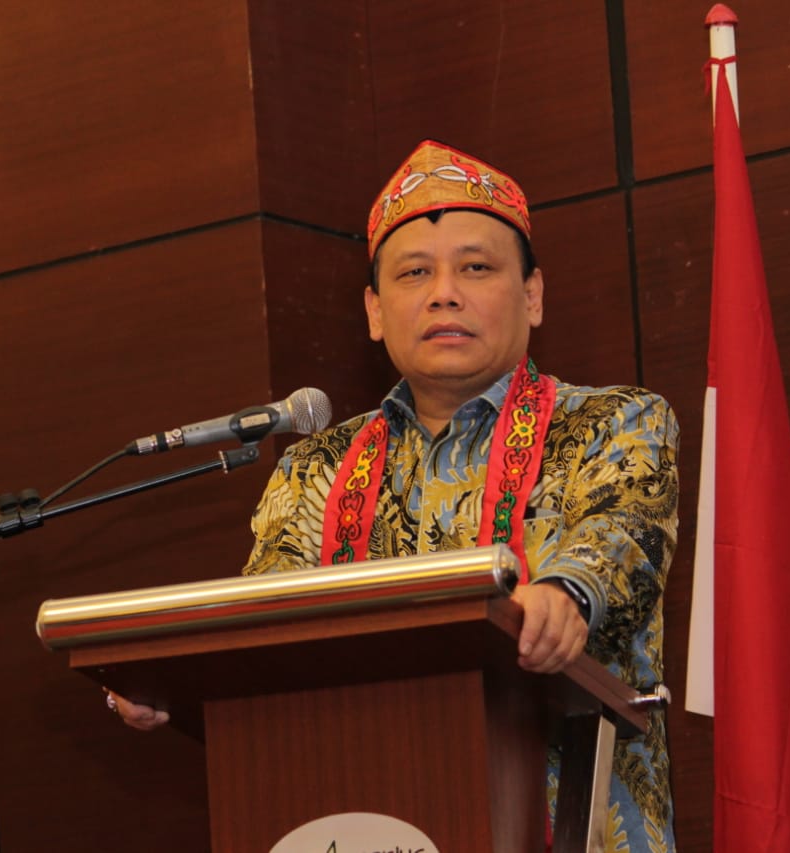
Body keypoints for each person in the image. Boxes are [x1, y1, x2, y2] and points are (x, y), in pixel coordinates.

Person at [108, 139, 678, 851]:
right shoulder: (315, 468)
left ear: (532, 295)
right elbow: (265, 625)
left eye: (475, 267)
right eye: (414, 273)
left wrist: (565, 594)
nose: (444, 292)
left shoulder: (616, 423)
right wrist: (173, 672)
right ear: (375, 311)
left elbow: (618, 538)